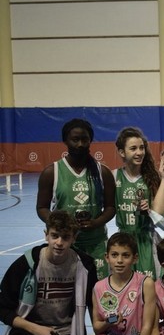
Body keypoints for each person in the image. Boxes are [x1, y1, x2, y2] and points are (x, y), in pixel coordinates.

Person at [0, 210, 97, 335]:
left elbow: (94, 304)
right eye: (54, 236)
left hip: (65, 330)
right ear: (46, 235)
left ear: (74, 238)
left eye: (65, 237)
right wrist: (36, 329)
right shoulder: (27, 263)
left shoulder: (84, 265)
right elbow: (3, 308)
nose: (59, 242)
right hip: (29, 327)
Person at [69, 232, 156, 335]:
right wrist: (110, 321)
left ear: (135, 258)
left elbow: (147, 326)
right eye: (114, 255)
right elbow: (97, 326)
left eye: (125, 255)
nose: (119, 260)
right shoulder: (99, 287)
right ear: (107, 257)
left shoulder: (145, 283)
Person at [36, 118, 116, 279]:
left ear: (90, 140)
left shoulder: (103, 172)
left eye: (84, 139)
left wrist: (95, 223)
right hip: (65, 244)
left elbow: (111, 207)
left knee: (96, 290)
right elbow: (41, 208)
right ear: (65, 141)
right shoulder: (52, 172)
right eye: (75, 139)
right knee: (68, 291)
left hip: (96, 243)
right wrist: (62, 225)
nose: (80, 144)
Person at [113, 126, 160, 278]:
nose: (139, 152)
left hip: (147, 240)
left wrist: (150, 211)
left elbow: (163, 215)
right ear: (122, 152)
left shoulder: (153, 178)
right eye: (133, 148)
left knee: (148, 284)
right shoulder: (114, 176)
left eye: (141, 148)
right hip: (123, 241)